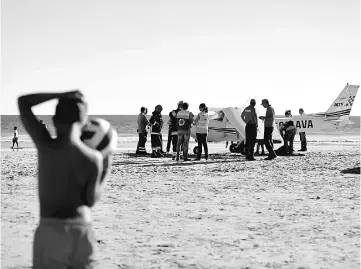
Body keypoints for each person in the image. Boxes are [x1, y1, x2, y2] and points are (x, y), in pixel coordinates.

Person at [18, 90, 113, 268]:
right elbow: (90, 200)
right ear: (84, 122)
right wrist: (106, 166)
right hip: (82, 229)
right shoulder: (94, 159)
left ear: (54, 120)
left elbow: (23, 102)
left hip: (51, 229)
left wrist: (62, 94)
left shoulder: (46, 145)